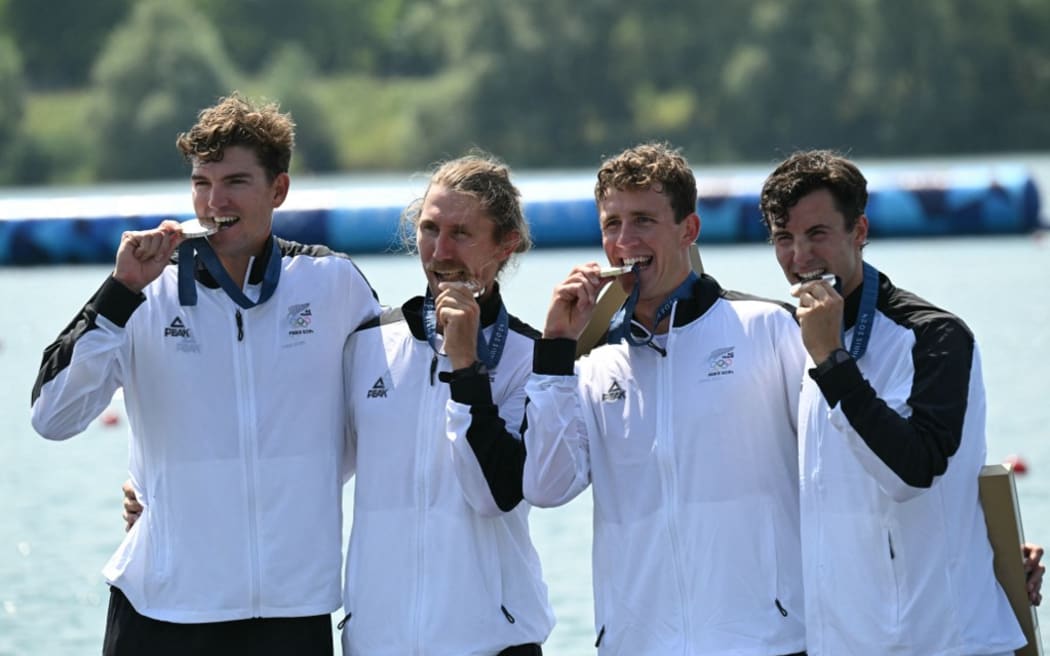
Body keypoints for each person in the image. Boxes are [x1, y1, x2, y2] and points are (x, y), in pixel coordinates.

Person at [30, 94, 381, 655]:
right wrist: (118, 294)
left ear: (279, 190)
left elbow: (390, 413)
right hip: (161, 610)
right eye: (201, 182)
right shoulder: (145, 288)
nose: (215, 200)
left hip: (293, 610)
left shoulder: (334, 285)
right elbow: (52, 417)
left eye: (236, 181)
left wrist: (274, 489)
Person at [522, 142, 808, 655]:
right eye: (612, 224)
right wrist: (555, 354)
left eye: (643, 221)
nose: (624, 240)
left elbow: (831, 476)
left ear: (689, 230)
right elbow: (546, 487)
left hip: (765, 641)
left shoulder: (766, 326)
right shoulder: (594, 364)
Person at [759, 149, 1028, 655]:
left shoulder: (936, 336)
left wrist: (834, 361)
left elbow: (912, 472)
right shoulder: (791, 340)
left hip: (947, 642)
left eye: (817, 233)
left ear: (859, 230)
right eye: (783, 238)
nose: (799, 258)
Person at [337, 153, 554, 654]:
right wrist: (155, 495)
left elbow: (493, 494)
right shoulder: (365, 343)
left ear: (506, 245)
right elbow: (305, 464)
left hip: (492, 643)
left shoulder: (532, 357)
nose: (440, 252)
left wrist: (465, 368)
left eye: (461, 233)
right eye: (429, 229)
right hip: (377, 642)